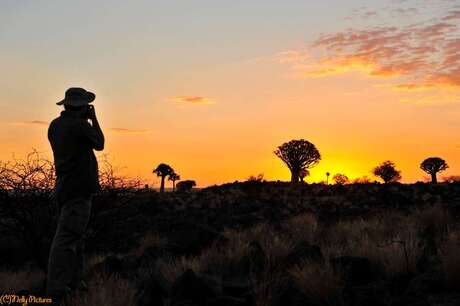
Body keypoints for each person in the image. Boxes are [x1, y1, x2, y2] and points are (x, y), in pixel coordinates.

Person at [46, 87, 104, 304]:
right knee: (67, 239)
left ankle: (74, 282)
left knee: (75, 238)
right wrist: (93, 119)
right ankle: (57, 290)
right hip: (79, 189)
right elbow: (100, 143)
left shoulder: (56, 125)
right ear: (81, 107)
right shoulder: (79, 126)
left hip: (63, 187)